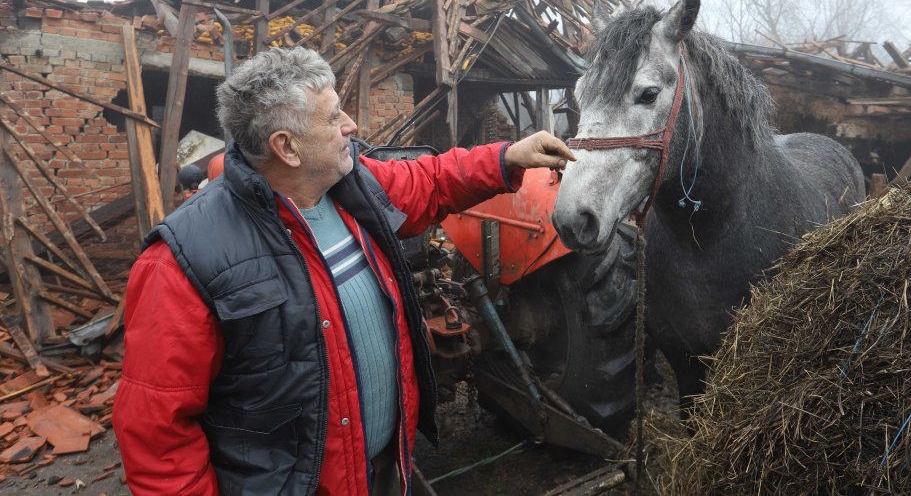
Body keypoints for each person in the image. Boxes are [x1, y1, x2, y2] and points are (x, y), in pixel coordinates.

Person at [113, 46, 576, 496]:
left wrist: (508, 157)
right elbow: (159, 438)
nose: (351, 125)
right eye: (334, 116)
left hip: (383, 468)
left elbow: (431, 179)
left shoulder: (355, 187)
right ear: (287, 147)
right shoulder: (182, 261)